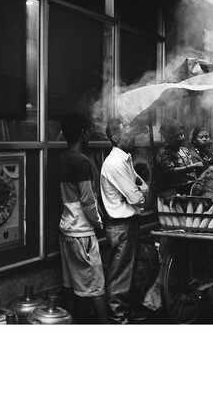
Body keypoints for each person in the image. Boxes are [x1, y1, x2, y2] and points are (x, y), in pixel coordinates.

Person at [58, 114, 109, 324]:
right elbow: (88, 200)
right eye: (89, 131)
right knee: (95, 286)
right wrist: (99, 223)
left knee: (70, 283)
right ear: (83, 133)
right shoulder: (81, 160)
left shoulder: (63, 158)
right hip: (82, 231)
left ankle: (69, 322)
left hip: (66, 227)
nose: (90, 135)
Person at [100, 118, 149, 324]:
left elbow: (139, 184)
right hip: (121, 225)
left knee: (127, 270)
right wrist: (141, 191)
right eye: (128, 133)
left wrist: (139, 189)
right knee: (120, 272)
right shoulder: (115, 163)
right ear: (115, 138)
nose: (133, 136)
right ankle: (117, 317)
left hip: (129, 223)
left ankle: (124, 311)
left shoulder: (125, 159)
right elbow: (137, 197)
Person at [156, 119, 203, 196]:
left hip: (191, 190)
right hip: (174, 193)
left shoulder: (185, 150)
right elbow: (170, 172)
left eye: (182, 134)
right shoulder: (164, 152)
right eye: (176, 136)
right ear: (167, 138)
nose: (181, 138)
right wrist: (193, 166)